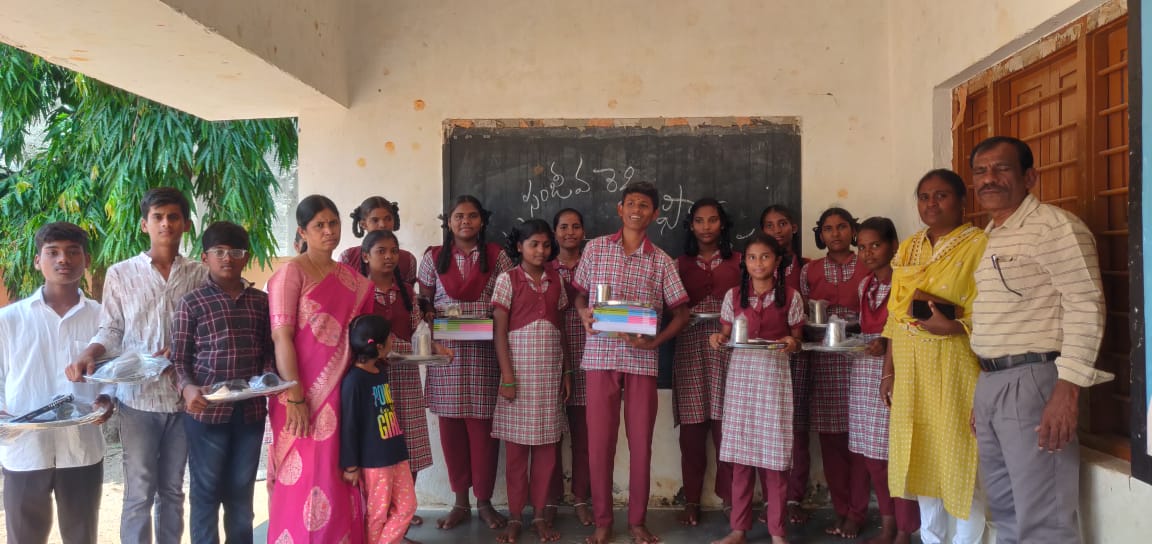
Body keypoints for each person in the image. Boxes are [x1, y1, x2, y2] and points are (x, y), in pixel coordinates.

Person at [968, 136, 1106, 543]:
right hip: (993, 383)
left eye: (1002, 168)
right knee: (1005, 512)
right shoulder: (991, 236)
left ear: (1029, 176)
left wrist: (1067, 390)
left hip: (1035, 381)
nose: (989, 179)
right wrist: (985, 393)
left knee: (1043, 521)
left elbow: (1086, 305)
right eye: (980, 171)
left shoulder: (1054, 227)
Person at [66, 187, 207, 544]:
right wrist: (90, 352)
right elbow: (112, 329)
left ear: (186, 224)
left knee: (173, 490)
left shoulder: (199, 274)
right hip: (137, 399)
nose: (166, 224)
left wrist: (183, 345)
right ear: (145, 225)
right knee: (139, 492)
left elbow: (207, 329)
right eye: (158, 217)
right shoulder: (121, 273)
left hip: (183, 398)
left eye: (173, 217)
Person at [571, 181, 691, 544]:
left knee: (641, 444)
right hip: (600, 357)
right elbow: (579, 296)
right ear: (619, 208)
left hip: (642, 360)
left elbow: (681, 312)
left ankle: (638, 521)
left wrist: (656, 341)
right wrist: (583, 314)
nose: (637, 210)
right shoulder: (595, 249)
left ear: (655, 214)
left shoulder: (662, 261)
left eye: (644, 205)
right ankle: (603, 521)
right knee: (599, 443)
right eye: (631, 203)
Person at [882, 169, 987, 544]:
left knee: (960, 459)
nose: (931, 203)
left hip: (955, 365)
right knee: (921, 459)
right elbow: (896, 315)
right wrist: (888, 372)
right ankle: (932, 538)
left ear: (962, 201)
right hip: (911, 369)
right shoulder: (909, 247)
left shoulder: (980, 245)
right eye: (924, 196)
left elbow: (991, 312)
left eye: (941, 195)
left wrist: (955, 327)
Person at [266, 195, 375, 543]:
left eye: (333, 223)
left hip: (342, 395)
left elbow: (363, 340)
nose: (329, 231)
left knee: (338, 476)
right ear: (302, 231)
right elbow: (281, 337)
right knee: (299, 480)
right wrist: (296, 396)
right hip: (297, 396)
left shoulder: (355, 282)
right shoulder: (290, 274)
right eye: (319, 226)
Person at [0, 222, 114, 544]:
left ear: (86, 260)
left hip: (81, 448)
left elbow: (112, 373)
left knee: (81, 536)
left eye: (73, 252)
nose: (63, 259)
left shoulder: (103, 320)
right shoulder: (9, 320)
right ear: (38, 261)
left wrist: (108, 398)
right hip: (24, 448)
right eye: (53, 252)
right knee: (24, 537)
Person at [171, 221, 274, 544]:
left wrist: (268, 380)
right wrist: (187, 388)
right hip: (206, 413)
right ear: (205, 258)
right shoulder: (192, 303)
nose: (227, 258)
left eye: (236, 252)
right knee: (206, 492)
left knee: (241, 494)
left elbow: (269, 353)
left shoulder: (261, 302)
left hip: (250, 413)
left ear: (246, 257)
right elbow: (179, 360)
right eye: (219, 252)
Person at [417, 195, 514, 530]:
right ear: (449, 221)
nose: (465, 222)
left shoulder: (497, 256)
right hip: (447, 357)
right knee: (452, 433)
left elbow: (508, 299)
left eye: (472, 216)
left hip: (485, 355)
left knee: (484, 433)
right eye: (458, 216)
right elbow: (423, 303)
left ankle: (484, 502)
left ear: (482, 221)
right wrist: (432, 316)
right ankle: (460, 502)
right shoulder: (432, 257)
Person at [707, 232, 805, 544]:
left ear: (777, 261)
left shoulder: (791, 297)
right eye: (751, 257)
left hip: (774, 380)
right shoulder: (734, 296)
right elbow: (725, 334)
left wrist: (791, 342)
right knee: (741, 456)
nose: (758, 263)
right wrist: (717, 339)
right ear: (744, 263)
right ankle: (739, 529)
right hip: (741, 379)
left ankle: (777, 532)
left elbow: (797, 339)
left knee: (775, 459)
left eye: (765, 256)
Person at [362, 229, 451, 534]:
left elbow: (417, 331)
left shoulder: (406, 294)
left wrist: (437, 348)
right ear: (366, 257)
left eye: (393, 251)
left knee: (409, 448)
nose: (389, 257)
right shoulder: (360, 293)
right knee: (381, 448)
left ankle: (399, 525)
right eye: (381, 251)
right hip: (375, 382)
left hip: (407, 380)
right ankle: (381, 524)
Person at [491, 219, 571, 543]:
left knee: (547, 451)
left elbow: (561, 329)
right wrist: (508, 377)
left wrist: (566, 372)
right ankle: (514, 517)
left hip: (549, 375)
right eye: (534, 244)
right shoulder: (507, 280)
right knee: (516, 454)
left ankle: (538, 516)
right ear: (519, 247)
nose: (541, 251)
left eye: (546, 245)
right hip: (519, 376)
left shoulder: (557, 280)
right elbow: (499, 333)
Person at [846, 218, 919, 544]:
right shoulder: (865, 286)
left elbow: (910, 328)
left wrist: (885, 343)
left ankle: (905, 529)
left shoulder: (906, 282)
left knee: (898, 455)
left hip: (897, 371)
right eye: (862, 247)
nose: (868, 253)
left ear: (893, 245)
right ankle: (888, 524)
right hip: (864, 373)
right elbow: (865, 326)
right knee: (873, 456)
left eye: (875, 245)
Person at [799, 207, 868, 538]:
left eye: (842, 227)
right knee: (831, 440)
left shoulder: (867, 263)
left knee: (860, 439)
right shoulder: (809, 271)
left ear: (853, 230)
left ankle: (857, 511)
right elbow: (801, 314)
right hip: (825, 360)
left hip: (861, 358)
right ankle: (841, 509)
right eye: (828, 228)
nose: (836, 234)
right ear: (820, 234)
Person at [673, 198, 741, 526]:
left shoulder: (741, 262)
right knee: (692, 430)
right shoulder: (678, 264)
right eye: (699, 221)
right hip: (690, 347)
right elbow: (670, 307)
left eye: (712, 220)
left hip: (728, 347)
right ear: (691, 225)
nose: (706, 227)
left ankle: (731, 498)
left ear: (722, 224)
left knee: (727, 427)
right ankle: (691, 498)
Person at [340, 314, 419, 544]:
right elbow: (349, 426)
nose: (393, 341)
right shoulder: (354, 381)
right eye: (390, 338)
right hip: (374, 462)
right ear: (380, 347)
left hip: (396, 452)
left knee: (407, 507)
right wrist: (351, 466)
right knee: (377, 515)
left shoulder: (380, 372)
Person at [761, 204, 812, 524]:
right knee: (766, 427)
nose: (776, 230)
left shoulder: (805, 268)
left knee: (796, 428)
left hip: (797, 355)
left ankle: (793, 497)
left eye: (782, 223)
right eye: (769, 225)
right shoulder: (755, 267)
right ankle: (770, 500)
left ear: (793, 227)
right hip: (765, 360)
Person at [547, 207, 593, 527]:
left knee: (584, 434)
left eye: (576, 226)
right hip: (550, 356)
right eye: (563, 227)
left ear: (584, 232)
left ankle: (580, 498)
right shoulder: (544, 267)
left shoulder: (593, 265)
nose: (570, 233)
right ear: (555, 232)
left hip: (588, 355)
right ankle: (549, 498)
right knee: (550, 434)